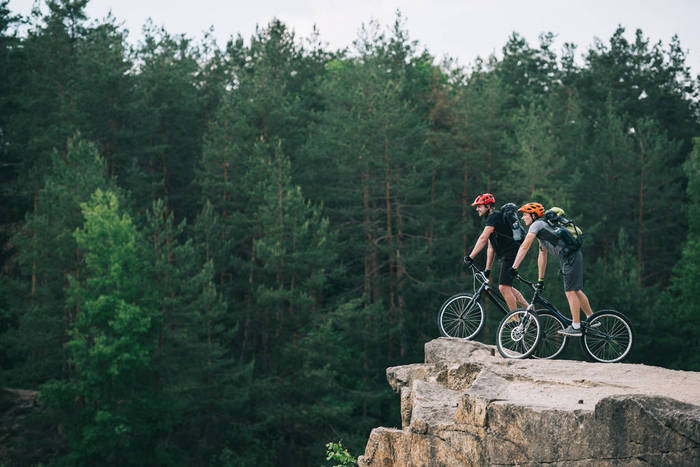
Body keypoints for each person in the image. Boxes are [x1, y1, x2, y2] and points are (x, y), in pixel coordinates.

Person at [509, 202, 595, 336]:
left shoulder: (536, 225)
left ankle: (576, 326)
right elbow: (542, 256)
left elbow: (524, 246)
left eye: (524, 215)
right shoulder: (543, 231)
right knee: (576, 290)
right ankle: (592, 319)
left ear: (533, 215)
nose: (522, 218)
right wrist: (540, 279)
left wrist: (514, 267)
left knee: (571, 291)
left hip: (570, 258)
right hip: (571, 257)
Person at [465, 193, 528, 312]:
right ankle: (529, 309)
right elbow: (491, 247)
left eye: (479, 206)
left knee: (504, 287)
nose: (477, 209)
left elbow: (483, 238)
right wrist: (488, 269)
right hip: (507, 255)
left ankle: (515, 319)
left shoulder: (494, 216)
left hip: (510, 254)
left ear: (488, 206)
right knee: (508, 287)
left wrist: (471, 257)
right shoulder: (492, 219)